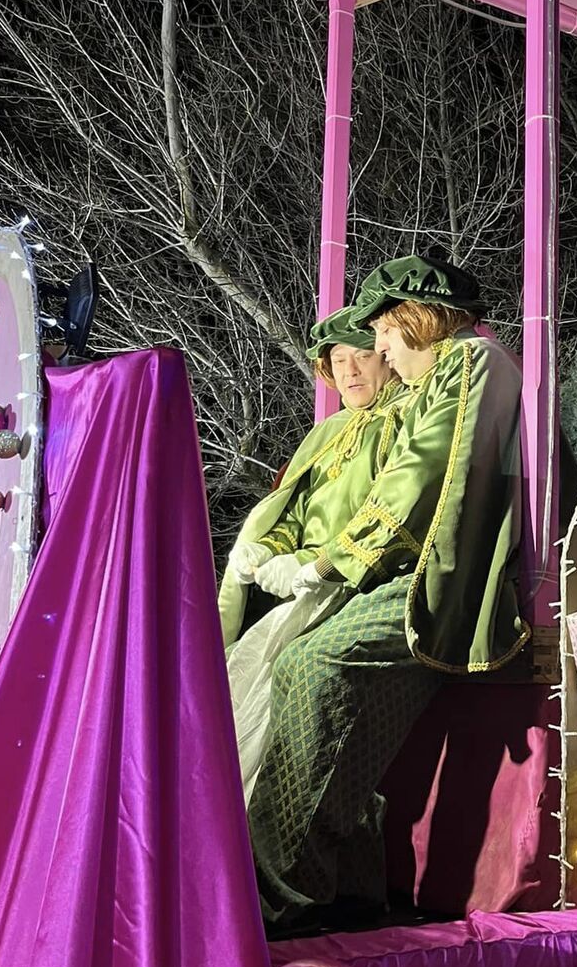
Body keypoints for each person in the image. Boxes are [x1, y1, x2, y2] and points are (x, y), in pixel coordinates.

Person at [246, 251, 529, 930]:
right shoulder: (438, 378)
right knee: (283, 665)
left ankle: (288, 894)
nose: (375, 353)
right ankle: (348, 889)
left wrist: (326, 567)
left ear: (416, 319)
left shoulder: (472, 361)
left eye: (382, 337)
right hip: (399, 570)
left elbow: (422, 477)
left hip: (446, 582)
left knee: (314, 665)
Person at [219, 313, 405, 802]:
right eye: (337, 361)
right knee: (232, 674)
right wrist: (266, 548)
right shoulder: (327, 433)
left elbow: (395, 516)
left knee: (272, 680)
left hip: (355, 583)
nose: (349, 372)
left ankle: (256, 830)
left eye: (361, 356)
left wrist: (317, 563)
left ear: (385, 358)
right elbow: (293, 514)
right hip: (297, 586)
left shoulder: (407, 422)